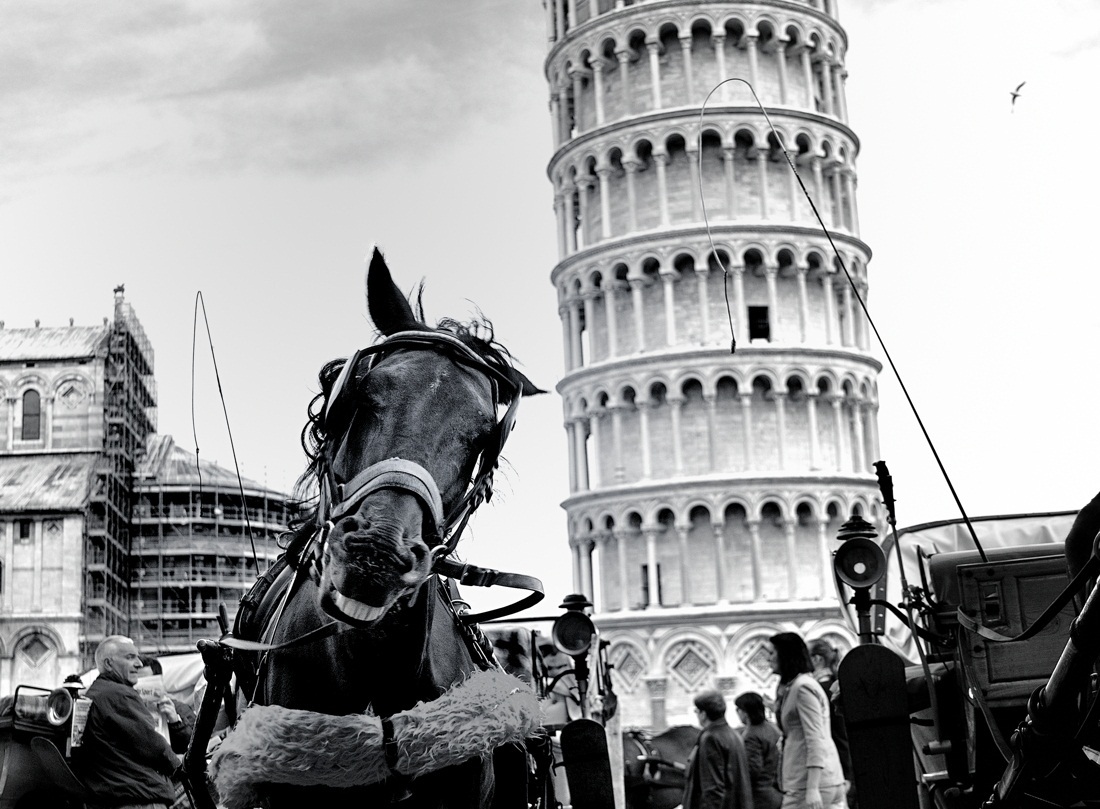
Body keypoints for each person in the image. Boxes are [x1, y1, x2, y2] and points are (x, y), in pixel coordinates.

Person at [73, 635, 182, 809]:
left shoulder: (97, 693)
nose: (138, 663)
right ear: (109, 664)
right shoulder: (119, 694)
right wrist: (180, 767)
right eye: (130, 657)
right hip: (137, 799)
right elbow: (152, 745)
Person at [769, 632, 848, 809]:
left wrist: (812, 788)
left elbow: (814, 737)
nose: (769, 659)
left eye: (772, 653)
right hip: (814, 782)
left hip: (809, 784)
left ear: (785, 655)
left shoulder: (803, 687)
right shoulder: (798, 686)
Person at [682, 689, 754, 809]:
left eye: (696, 711)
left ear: (703, 714)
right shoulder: (733, 734)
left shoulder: (711, 738)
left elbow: (713, 787)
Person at [808, 641, 855, 808]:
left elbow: (838, 734)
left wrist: (846, 775)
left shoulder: (822, 691)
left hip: (837, 771)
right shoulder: (836, 686)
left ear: (817, 660)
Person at [735, 691, 783, 809]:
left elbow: (752, 769)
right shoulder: (772, 727)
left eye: (738, 709)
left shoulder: (751, 735)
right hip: (778, 790)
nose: (737, 712)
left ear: (745, 713)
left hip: (761, 797)